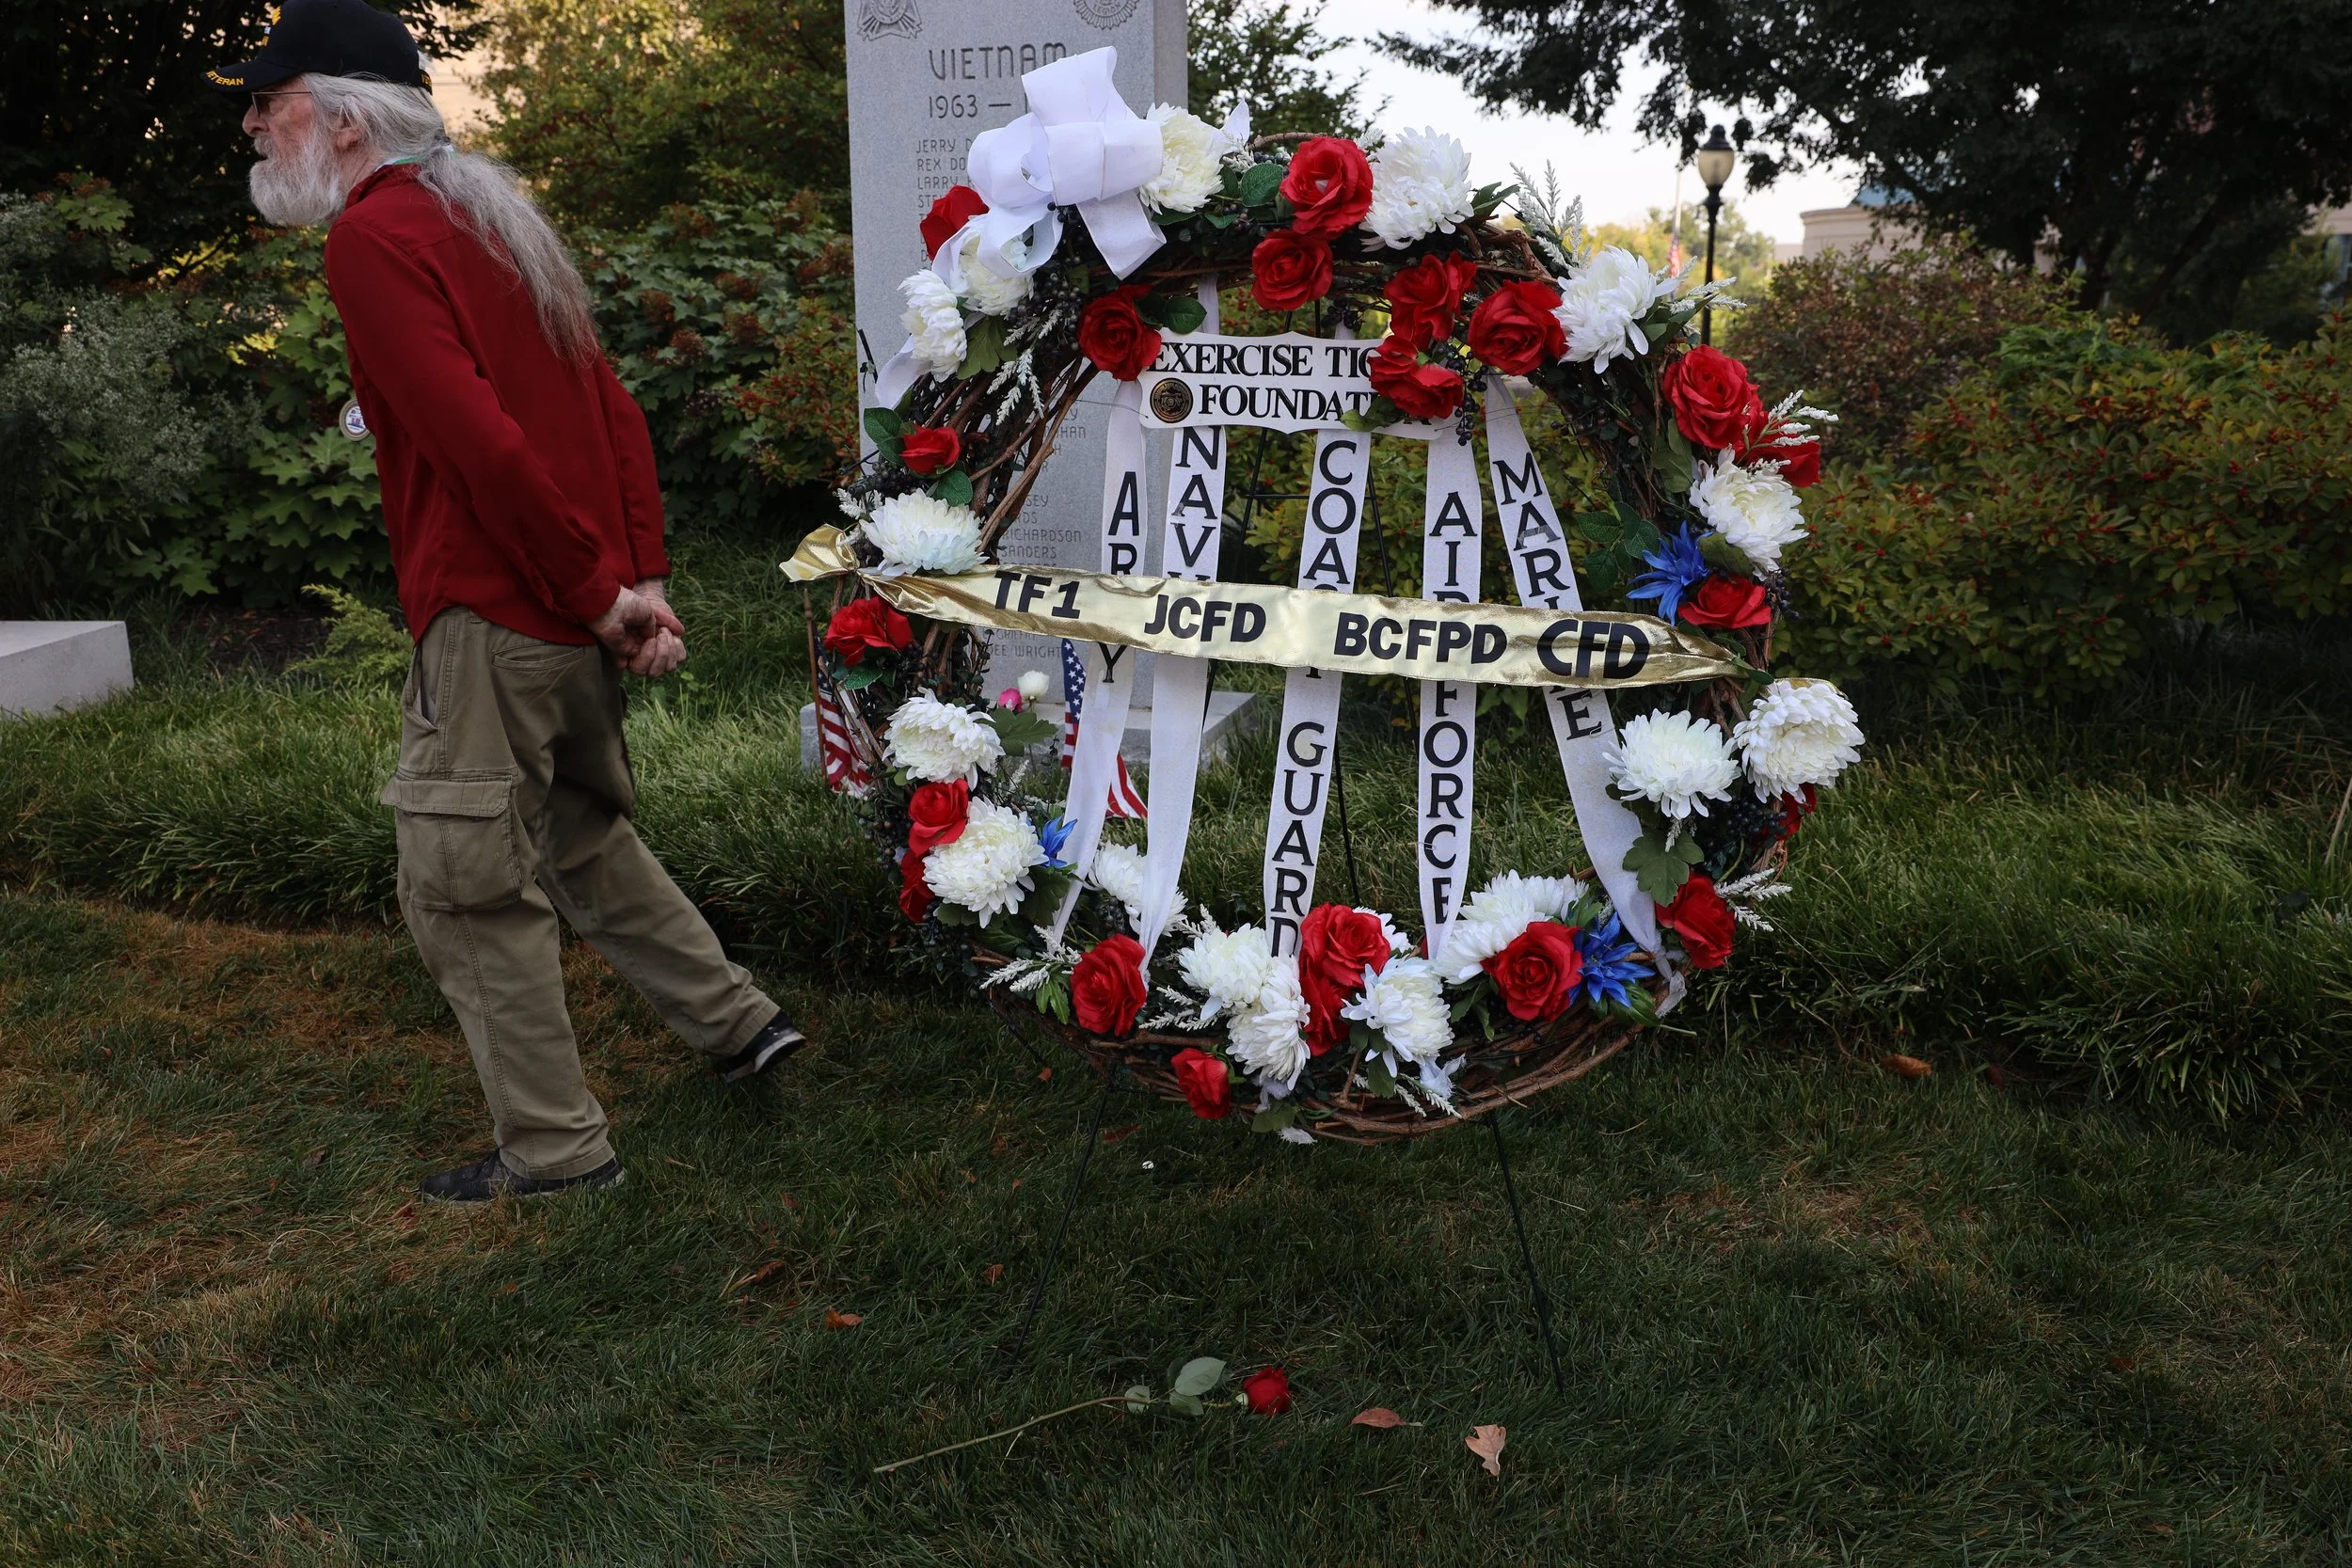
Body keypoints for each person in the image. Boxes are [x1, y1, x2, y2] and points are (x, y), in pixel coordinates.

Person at [210, 0, 803, 1204]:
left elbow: (478, 444)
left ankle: (555, 1150)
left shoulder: (373, 238)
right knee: (582, 836)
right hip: (571, 602)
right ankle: (739, 1025)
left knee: (461, 886)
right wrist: (637, 578)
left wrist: (600, 595)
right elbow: (609, 409)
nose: (257, 127)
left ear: (340, 113)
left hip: (499, 613)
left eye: (270, 103)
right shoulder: (490, 217)